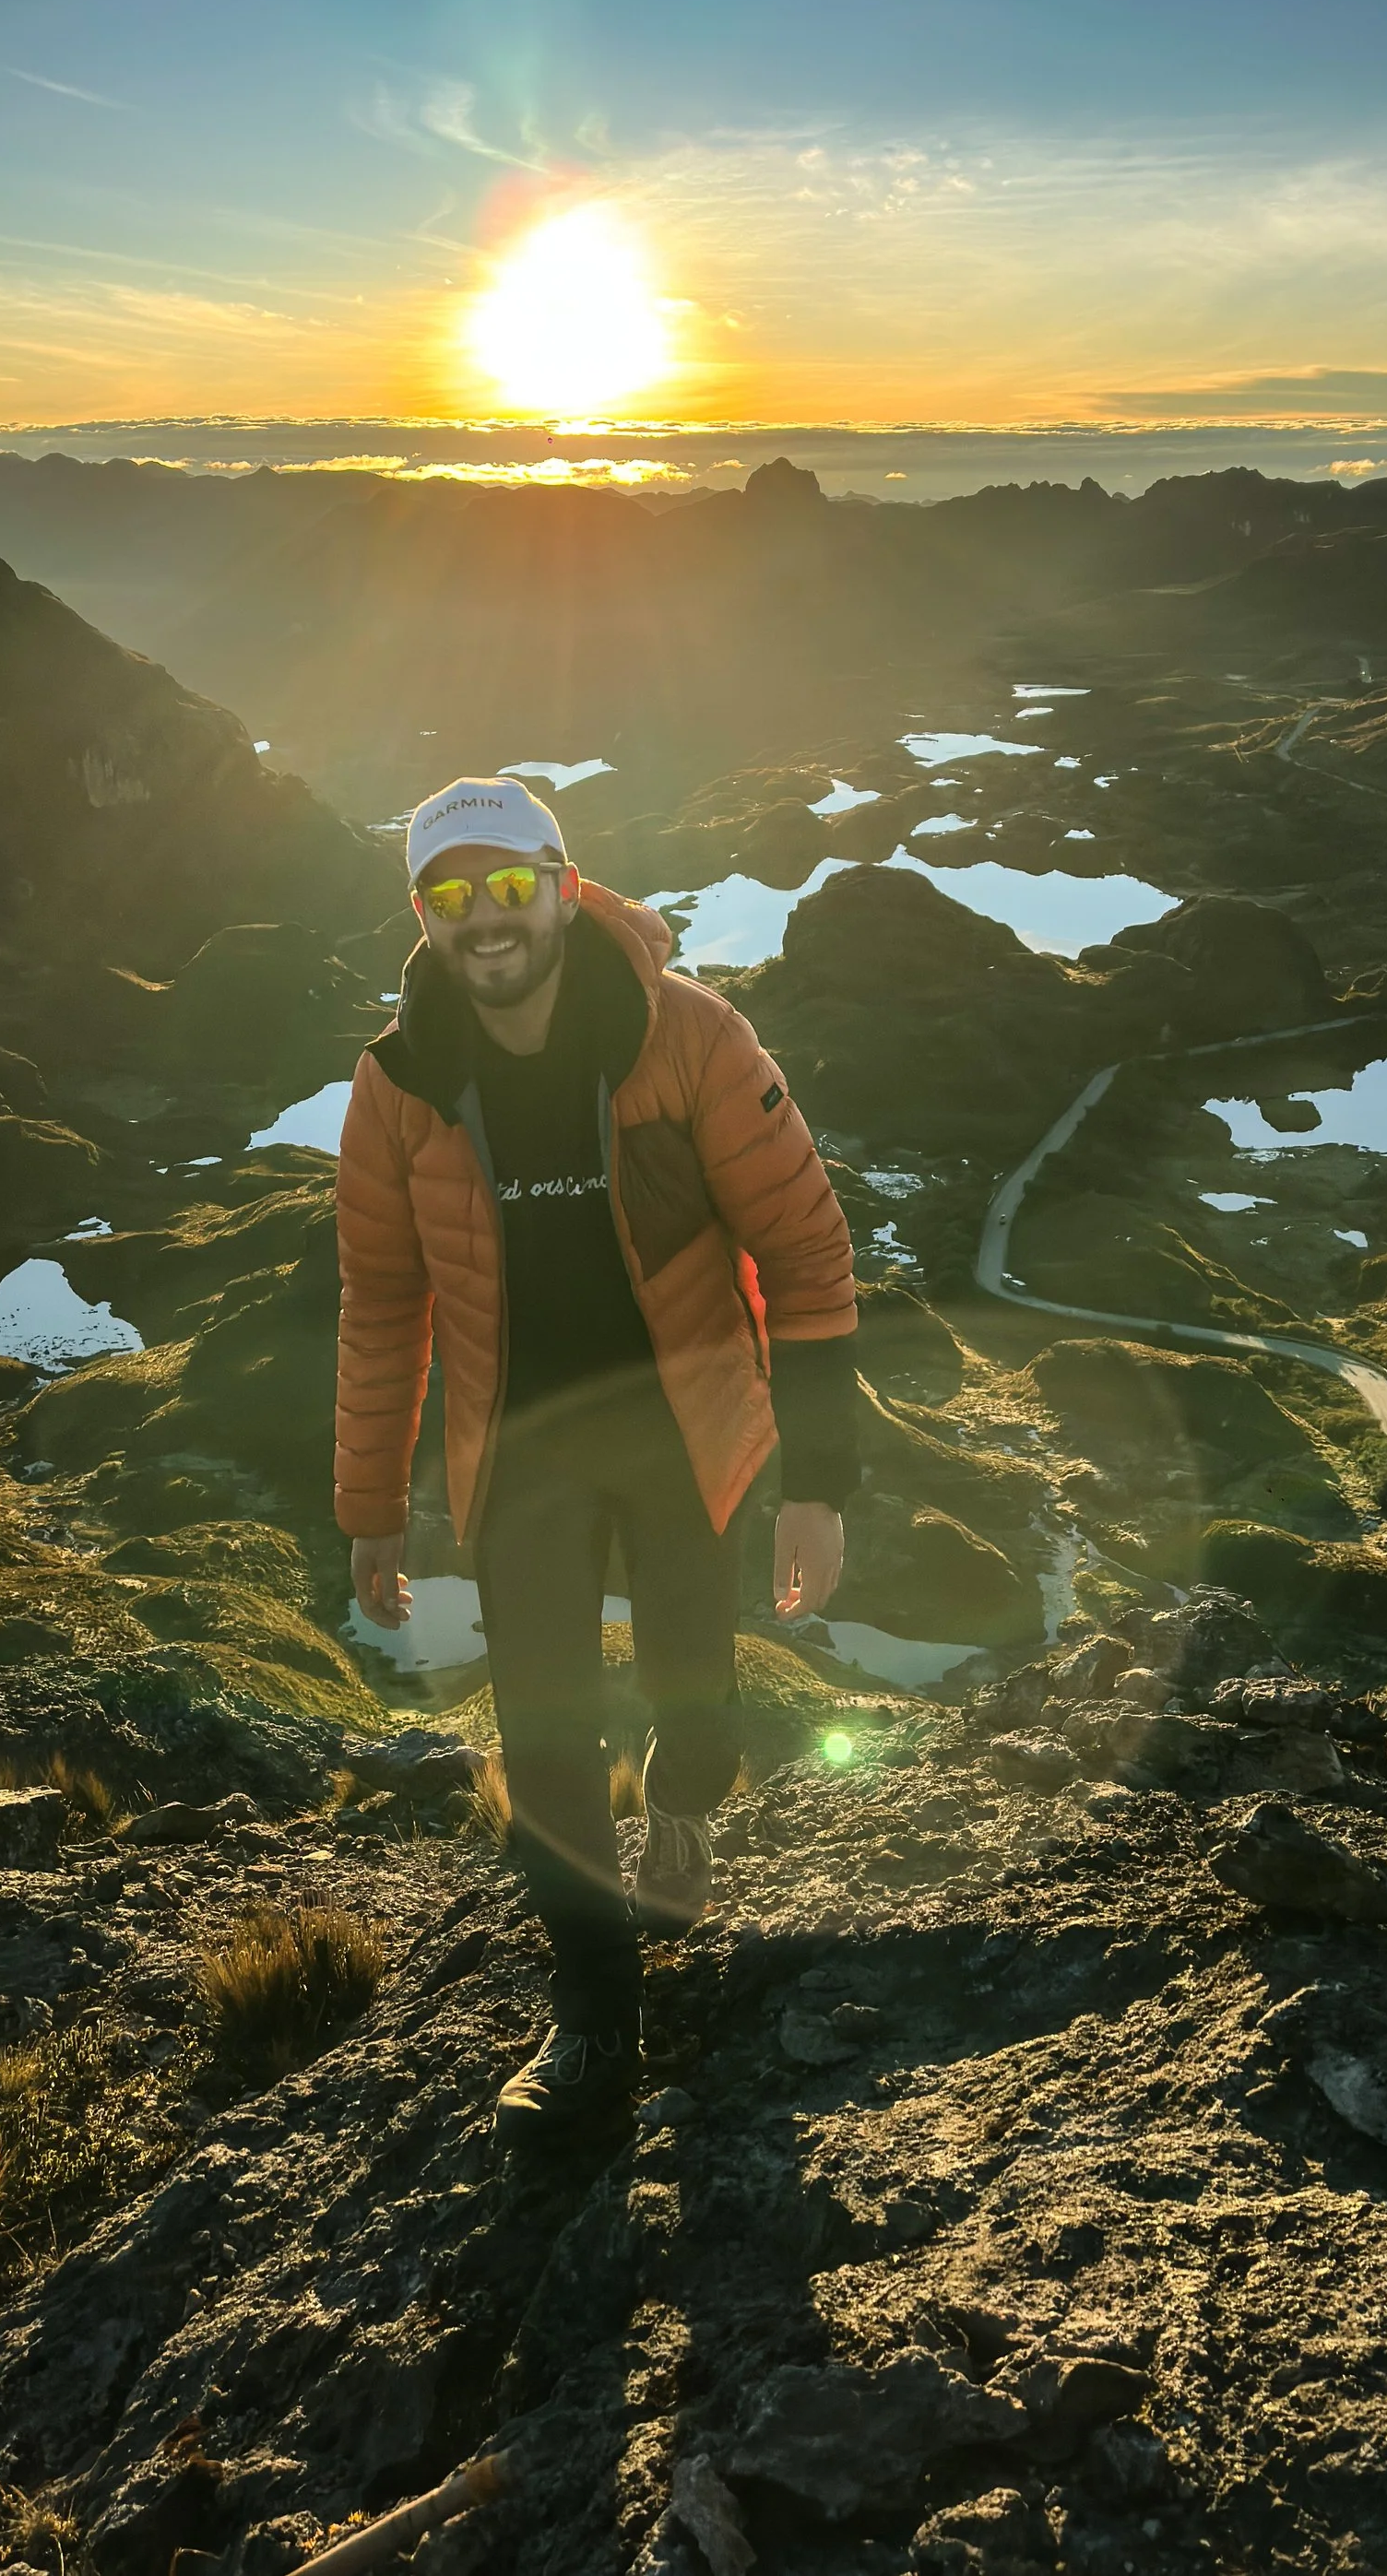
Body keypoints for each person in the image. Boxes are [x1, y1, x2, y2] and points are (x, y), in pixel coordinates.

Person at [334, 774, 859, 2139]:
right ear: (424, 919)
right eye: (452, 896)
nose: (485, 918)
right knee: (550, 1746)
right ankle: (591, 2030)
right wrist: (372, 1507)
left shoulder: (683, 1035)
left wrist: (819, 1485)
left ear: (564, 889)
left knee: (698, 1712)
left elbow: (806, 1255)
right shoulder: (397, 1086)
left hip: (685, 1433)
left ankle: (685, 1812)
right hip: (521, 1460)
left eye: (510, 885)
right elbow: (383, 1302)